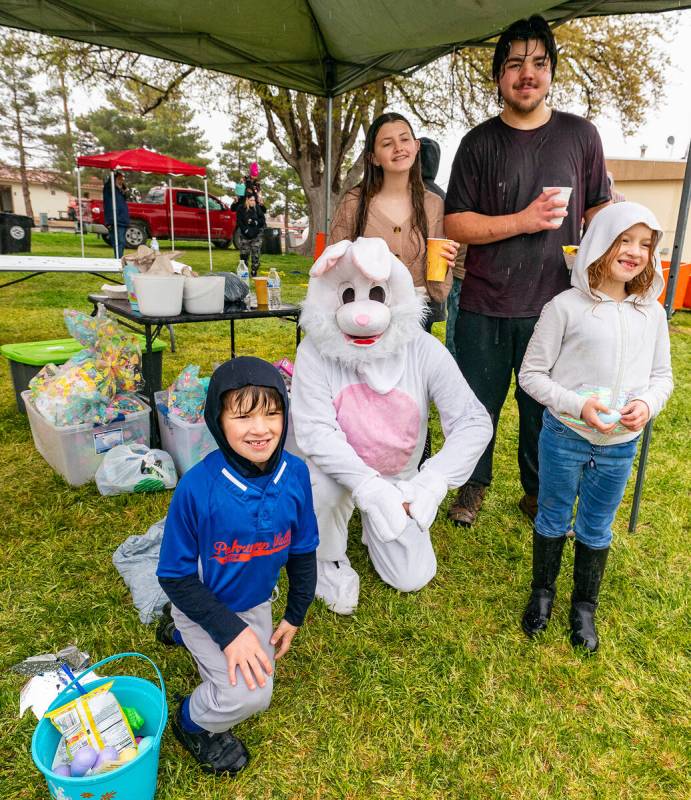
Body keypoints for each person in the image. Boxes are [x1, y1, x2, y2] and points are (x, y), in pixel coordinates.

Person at [444, 15, 611, 527]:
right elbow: (455, 222)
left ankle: (539, 491)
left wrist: (610, 249)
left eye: (538, 63)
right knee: (478, 404)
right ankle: (472, 486)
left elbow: (598, 212)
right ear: (498, 76)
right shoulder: (477, 144)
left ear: (551, 72)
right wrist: (523, 220)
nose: (526, 74)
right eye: (514, 64)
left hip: (556, 305)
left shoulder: (581, 136)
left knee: (547, 410)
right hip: (484, 303)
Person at [518, 202, 673, 653]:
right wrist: (577, 405)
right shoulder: (564, 307)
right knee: (552, 513)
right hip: (566, 437)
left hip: (619, 446)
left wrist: (646, 403)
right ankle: (542, 593)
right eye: (625, 240)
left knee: (597, 525)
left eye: (645, 244)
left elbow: (662, 376)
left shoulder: (652, 315)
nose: (635, 252)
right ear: (599, 244)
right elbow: (532, 375)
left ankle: (584, 606)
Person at [156, 357, 319, 774]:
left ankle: (180, 633)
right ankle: (191, 722)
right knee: (250, 697)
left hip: (253, 603)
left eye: (272, 412)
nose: (261, 428)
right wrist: (230, 634)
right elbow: (174, 575)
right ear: (218, 420)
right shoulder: (197, 488)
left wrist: (295, 615)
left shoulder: (296, 474)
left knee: (254, 673)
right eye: (243, 415)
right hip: (203, 602)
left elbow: (303, 551)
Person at [329, 112, 459, 332]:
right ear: (373, 158)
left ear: (417, 146)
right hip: (364, 318)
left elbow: (439, 291)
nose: (399, 147)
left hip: (416, 320)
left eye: (405, 139)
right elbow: (332, 266)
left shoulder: (434, 204)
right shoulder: (354, 203)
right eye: (387, 143)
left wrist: (445, 264)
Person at [236, 191, 266, 276]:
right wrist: (245, 230)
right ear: (247, 200)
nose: (253, 202)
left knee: (255, 254)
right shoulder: (241, 208)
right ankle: (243, 272)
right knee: (244, 255)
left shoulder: (257, 208)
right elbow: (239, 221)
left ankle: (254, 271)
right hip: (245, 235)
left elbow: (262, 220)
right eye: (251, 200)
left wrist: (256, 222)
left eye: (254, 200)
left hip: (256, 235)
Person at [102, 171, 130, 259]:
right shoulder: (109, 189)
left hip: (122, 219)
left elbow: (127, 196)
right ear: (114, 179)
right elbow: (109, 185)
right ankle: (118, 259)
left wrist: (124, 190)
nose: (121, 181)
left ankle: (119, 258)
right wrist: (113, 174)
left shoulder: (120, 192)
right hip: (114, 219)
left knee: (121, 241)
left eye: (122, 179)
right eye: (119, 179)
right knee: (118, 241)